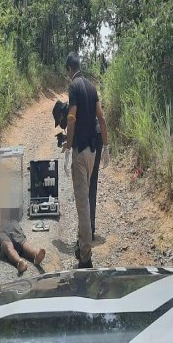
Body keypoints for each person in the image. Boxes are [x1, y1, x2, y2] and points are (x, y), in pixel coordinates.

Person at [61, 53, 109, 269]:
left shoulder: (74, 88)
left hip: (80, 152)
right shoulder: (91, 87)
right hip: (93, 152)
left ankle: (86, 258)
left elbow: (71, 118)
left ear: (69, 69)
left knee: (82, 203)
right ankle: (81, 244)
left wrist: (68, 146)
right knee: (86, 196)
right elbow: (101, 117)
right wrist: (106, 146)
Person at [53, 100, 104, 242]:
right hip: (94, 138)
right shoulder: (74, 107)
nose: (61, 125)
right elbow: (79, 133)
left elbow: (79, 132)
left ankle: (89, 232)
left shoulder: (72, 110)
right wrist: (66, 139)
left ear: (61, 115)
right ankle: (87, 230)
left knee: (90, 186)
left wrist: (68, 144)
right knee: (87, 187)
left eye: (59, 121)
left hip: (95, 140)